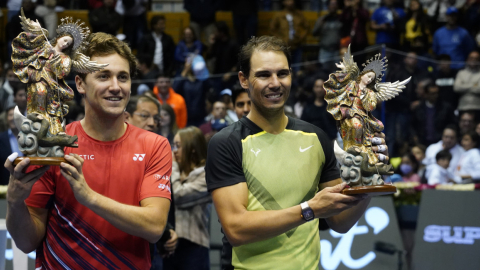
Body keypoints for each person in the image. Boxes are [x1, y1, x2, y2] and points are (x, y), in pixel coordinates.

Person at [205, 36, 389, 270]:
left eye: (282, 73)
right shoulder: (226, 143)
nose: (275, 83)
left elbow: (339, 222)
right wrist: (309, 209)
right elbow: (236, 229)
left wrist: (368, 177)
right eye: (263, 75)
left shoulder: (316, 138)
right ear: (243, 79)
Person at [4, 32, 172, 269]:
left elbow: (154, 227)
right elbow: (26, 242)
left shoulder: (154, 145)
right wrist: (14, 202)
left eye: (122, 77)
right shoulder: (53, 144)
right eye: (103, 76)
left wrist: (89, 197)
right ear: (80, 83)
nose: (116, 87)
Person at [11, 12, 103, 144]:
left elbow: (62, 73)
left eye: (69, 44)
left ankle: (51, 130)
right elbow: (35, 52)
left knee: (52, 108)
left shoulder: (65, 58)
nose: (65, 44)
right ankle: (36, 119)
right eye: (65, 40)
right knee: (39, 92)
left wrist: (55, 59)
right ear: (59, 38)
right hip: (38, 78)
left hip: (53, 85)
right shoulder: (45, 45)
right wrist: (37, 29)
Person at [324, 46, 406, 170]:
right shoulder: (353, 84)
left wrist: (364, 96)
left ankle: (366, 153)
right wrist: (345, 71)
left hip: (363, 115)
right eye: (368, 76)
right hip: (351, 112)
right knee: (356, 126)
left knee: (376, 128)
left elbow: (370, 106)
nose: (369, 79)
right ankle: (354, 149)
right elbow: (344, 82)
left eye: (372, 79)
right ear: (362, 74)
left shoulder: (370, 92)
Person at [166, 126, 211, 270]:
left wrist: (172, 166)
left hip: (194, 246)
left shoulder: (206, 175)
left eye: (178, 145)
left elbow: (179, 196)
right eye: (174, 145)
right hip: (169, 244)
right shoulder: (176, 173)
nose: (174, 150)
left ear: (192, 148)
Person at [410, 82, 455, 147]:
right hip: (422, 142)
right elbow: (412, 124)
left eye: (437, 93)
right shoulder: (419, 108)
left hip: (440, 143)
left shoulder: (446, 108)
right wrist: (414, 136)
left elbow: (452, 124)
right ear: (426, 94)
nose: (435, 96)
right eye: (432, 94)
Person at [270, 0, 309, 73]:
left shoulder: (299, 14)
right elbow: (272, 30)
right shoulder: (279, 15)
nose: (290, 2)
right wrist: (280, 40)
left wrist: (301, 37)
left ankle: (297, 81)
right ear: (283, 2)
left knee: (297, 66)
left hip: (297, 44)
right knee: (285, 66)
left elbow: (306, 27)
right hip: (284, 46)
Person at [312, 0, 342, 71]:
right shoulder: (322, 19)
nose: (333, 6)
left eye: (335, 4)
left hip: (337, 51)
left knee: (337, 73)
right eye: (331, 4)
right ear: (328, 6)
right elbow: (314, 33)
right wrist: (320, 24)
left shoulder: (341, 19)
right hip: (325, 50)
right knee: (324, 71)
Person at [0, 103, 24, 184]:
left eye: (16, 114)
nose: (13, 118)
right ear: (7, 118)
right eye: (10, 115)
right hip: (6, 185)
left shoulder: (31, 138)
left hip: (28, 183)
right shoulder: (1, 138)